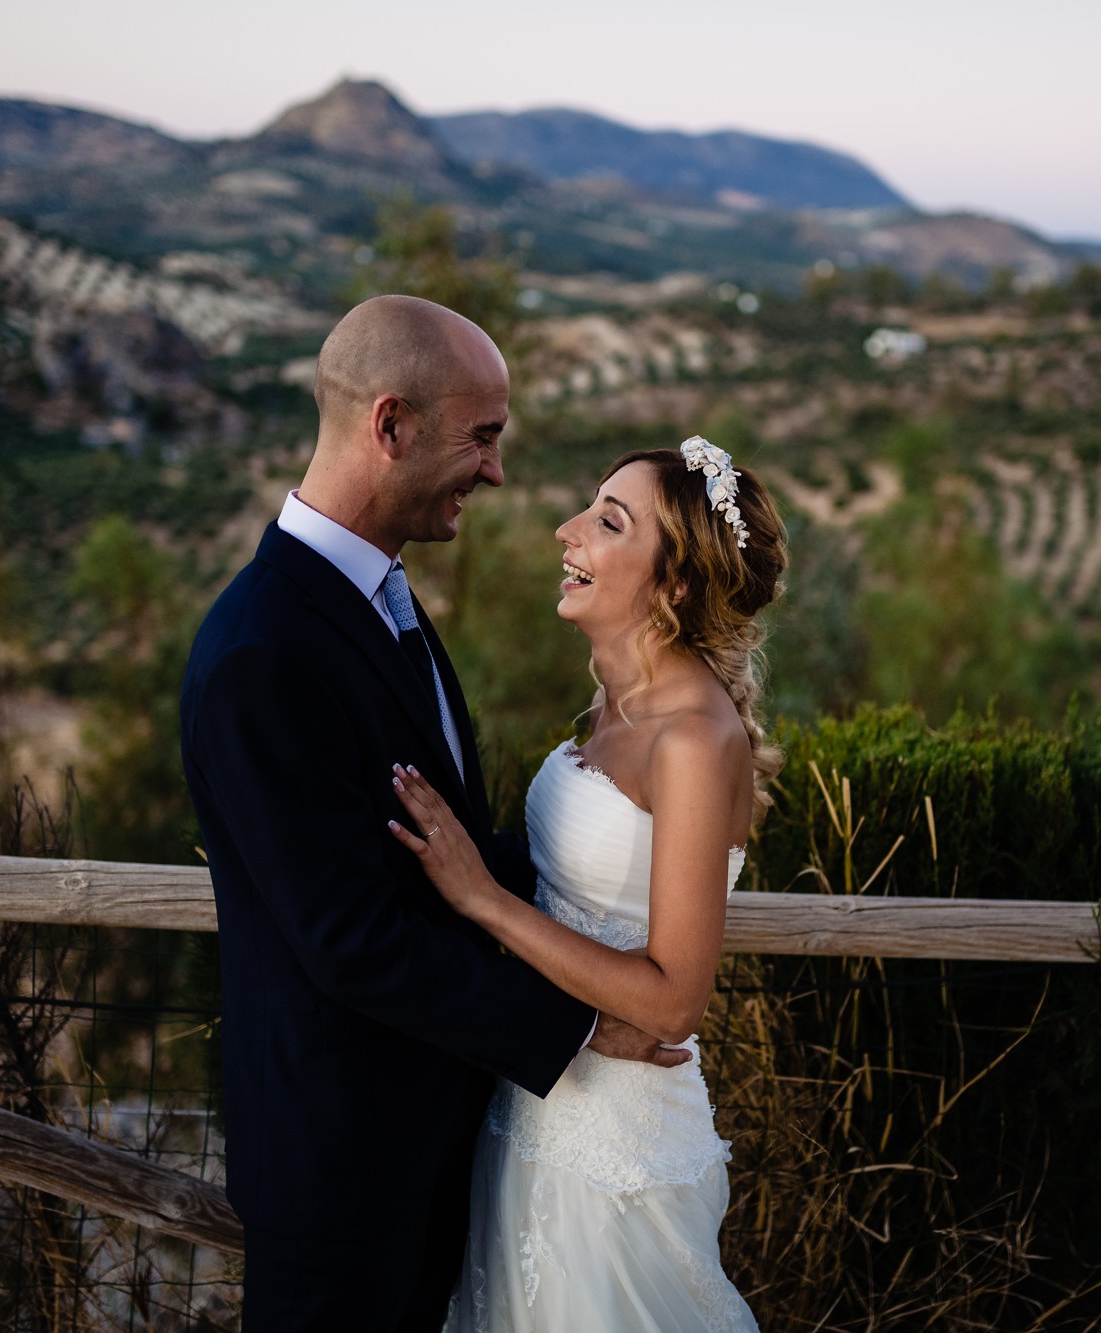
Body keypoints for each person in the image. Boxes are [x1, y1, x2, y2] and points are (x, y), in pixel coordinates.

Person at [179, 294, 688, 1332]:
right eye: (481, 436)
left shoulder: (372, 597)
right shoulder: (263, 653)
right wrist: (583, 1024)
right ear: (390, 424)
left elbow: (434, 852)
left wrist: (600, 918)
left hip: (429, 1157)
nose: (495, 471)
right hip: (340, 1181)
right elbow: (353, 940)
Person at [387, 436, 787, 1331]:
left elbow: (674, 999)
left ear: (675, 585)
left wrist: (481, 898)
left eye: (608, 522)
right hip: (533, 1107)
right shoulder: (615, 701)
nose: (567, 532)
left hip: (618, 1155)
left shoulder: (692, 737)